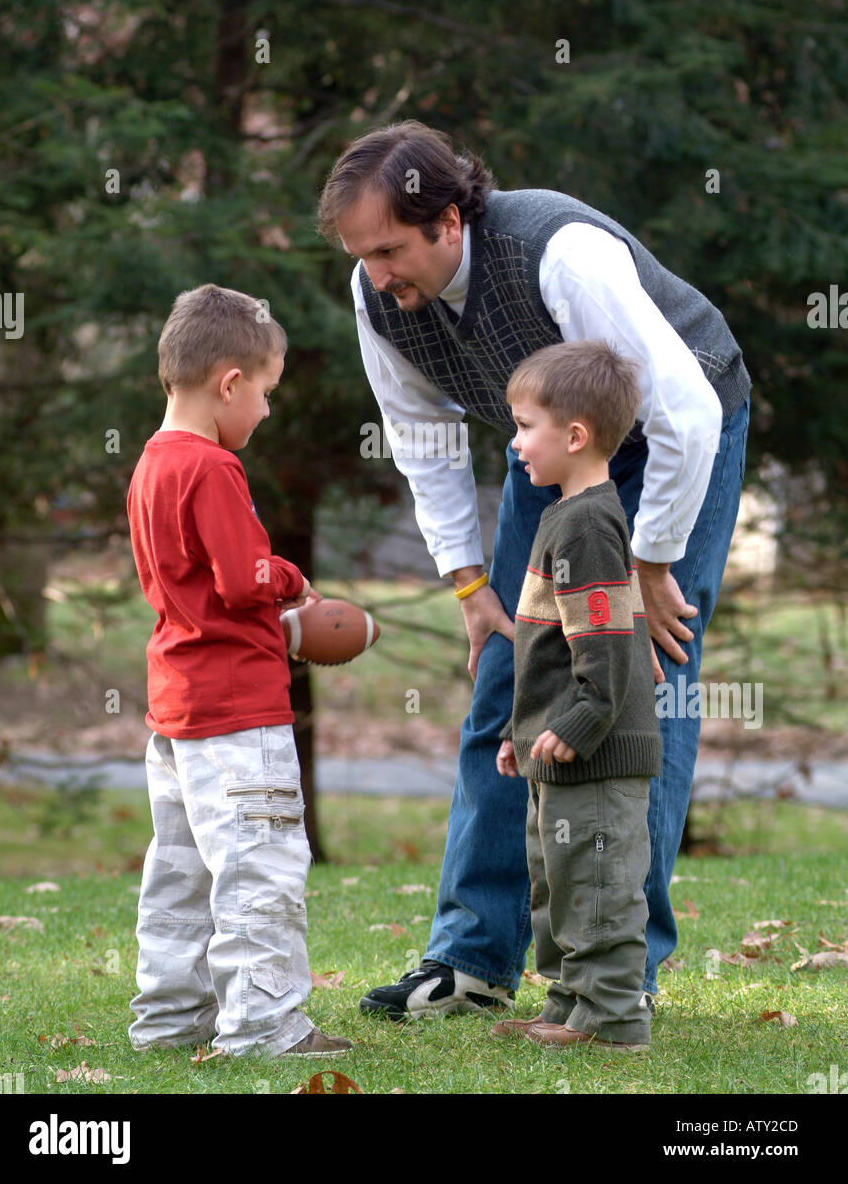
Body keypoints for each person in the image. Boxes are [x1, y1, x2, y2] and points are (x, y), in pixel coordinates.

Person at [317, 120, 750, 1019]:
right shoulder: (375, 293)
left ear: (445, 218)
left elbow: (687, 413)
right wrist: (471, 588)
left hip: (678, 437)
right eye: (363, 256)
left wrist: (650, 561)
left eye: (390, 250)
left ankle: (617, 970)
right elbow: (424, 439)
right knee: (507, 678)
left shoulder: (561, 254)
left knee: (637, 680)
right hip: (548, 451)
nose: (376, 276)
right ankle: (472, 963)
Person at [126, 282, 350, 1058]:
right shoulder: (212, 467)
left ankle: (167, 1019)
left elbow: (194, 586)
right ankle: (263, 1026)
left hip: (177, 711)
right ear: (229, 383)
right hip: (238, 716)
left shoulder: (153, 461)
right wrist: (289, 578)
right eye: (265, 393)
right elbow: (240, 579)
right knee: (260, 868)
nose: (266, 410)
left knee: (179, 877)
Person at [493, 340, 660, 1052]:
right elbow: (546, 651)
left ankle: (613, 1018)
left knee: (596, 881)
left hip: (592, 751)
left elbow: (606, 649)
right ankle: (569, 1002)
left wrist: (581, 718)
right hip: (557, 748)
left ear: (575, 435)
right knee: (560, 881)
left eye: (526, 425)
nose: (515, 441)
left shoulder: (588, 522)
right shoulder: (565, 515)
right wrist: (521, 732)